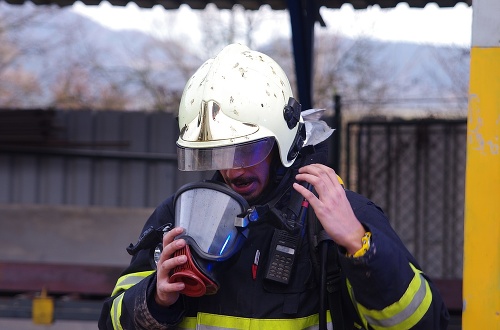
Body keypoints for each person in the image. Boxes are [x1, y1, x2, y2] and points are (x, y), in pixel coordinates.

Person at [99, 43, 449, 330]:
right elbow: (111, 321)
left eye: (246, 150)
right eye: (218, 153)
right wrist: (154, 300)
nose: (232, 170)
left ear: (281, 142)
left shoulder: (338, 218)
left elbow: (425, 323)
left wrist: (360, 246)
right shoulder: (179, 218)